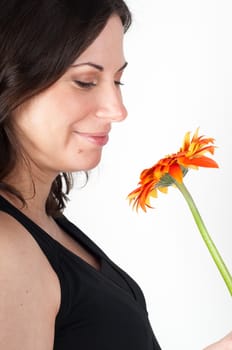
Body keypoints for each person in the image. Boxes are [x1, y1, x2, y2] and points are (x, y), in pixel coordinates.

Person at [0, 1, 230, 349]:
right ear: (10, 82)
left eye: (118, 80)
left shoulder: (41, 221)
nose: (117, 110)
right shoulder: (6, 249)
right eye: (85, 81)